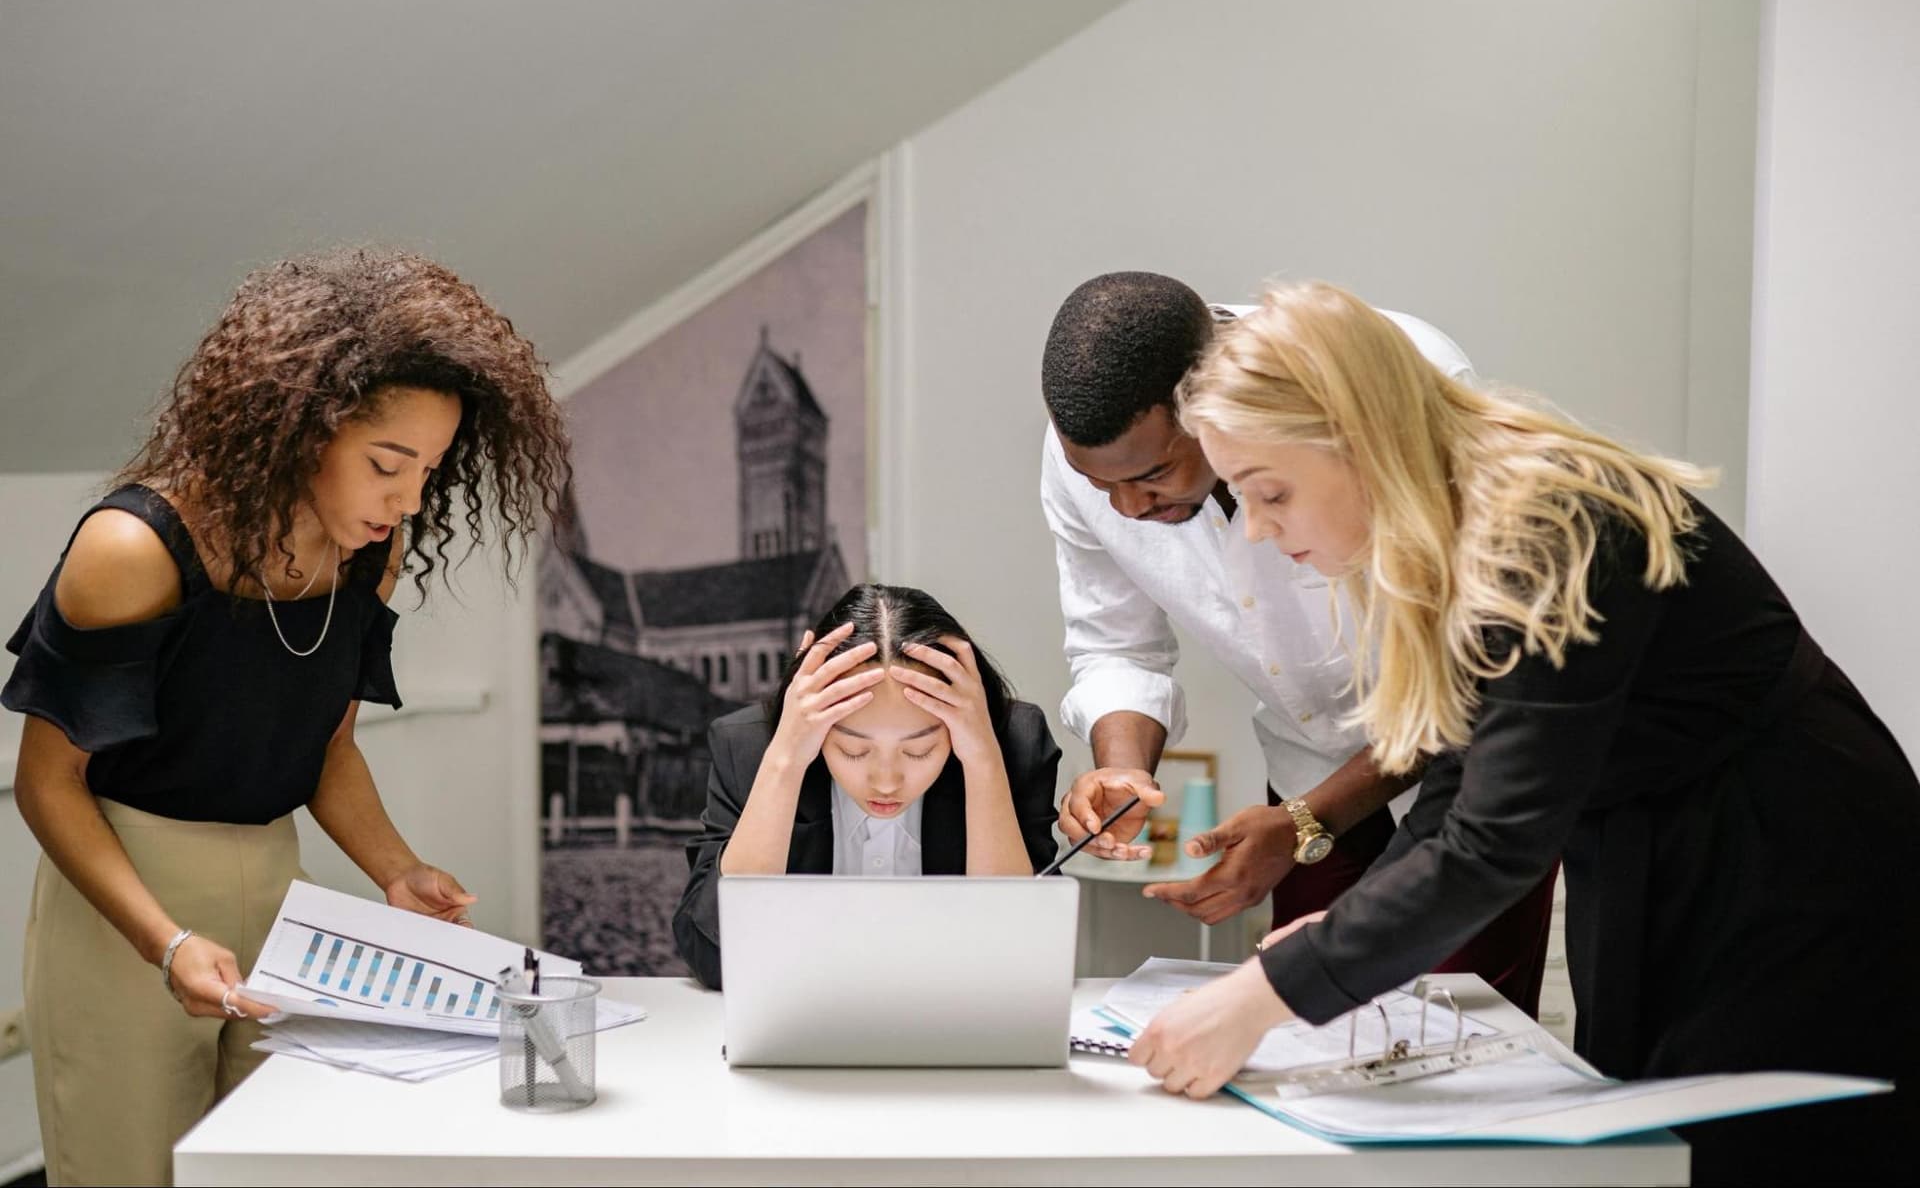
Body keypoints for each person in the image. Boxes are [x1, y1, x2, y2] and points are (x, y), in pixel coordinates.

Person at [1131, 280, 1920, 1185]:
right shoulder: (1454, 518)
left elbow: (1492, 842)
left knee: (1762, 1150)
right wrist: (1336, 929)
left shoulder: (1544, 522)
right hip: (1650, 844)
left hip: (1793, 855)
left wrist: (1267, 994)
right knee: (1646, 1137)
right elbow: (1461, 776)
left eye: (1269, 494)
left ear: (1359, 440)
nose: (1260, 533)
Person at [3, 247, 570, 1187]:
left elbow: (328, 749)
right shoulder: (133, 548)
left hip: (275, 892)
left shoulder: (368, 555)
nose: (411, 500)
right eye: (389, 465)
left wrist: (398, 870)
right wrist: (167, 941)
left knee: (275, 1170)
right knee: (131, 1174)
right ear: (302, 430)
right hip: (122, 907)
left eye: (429, 470)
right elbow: (46, 783)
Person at [1040, 271, 1554, 1013]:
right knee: (1303, 1022)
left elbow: (1474, 683)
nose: (1126, 507)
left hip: (1469, 769)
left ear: (1213, 407)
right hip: (1305, 764)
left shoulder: (1400, 385)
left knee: (1459, 1029)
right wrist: (1125, 777)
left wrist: (1311, 819)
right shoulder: (1093, 449)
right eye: (1100, 486)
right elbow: (1116, 644)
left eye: (1153, 475)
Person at [673, 584, 1063, 988]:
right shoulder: (750, 746)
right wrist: (785, 761)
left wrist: (982, 759)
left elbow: (1021, 962)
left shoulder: (1011, 743)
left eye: (919, 751)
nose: (886, 782)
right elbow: (715, 958)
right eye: (853, 750)